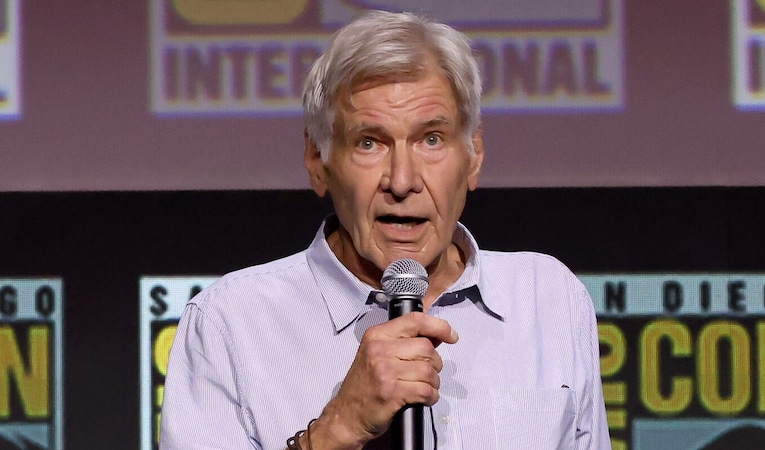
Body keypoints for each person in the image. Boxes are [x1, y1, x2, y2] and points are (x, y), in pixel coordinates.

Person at [160, 9, 611, 450]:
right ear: (318, 161)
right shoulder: (228, 324)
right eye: (369, 142)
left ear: (473, 155)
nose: (402, 180)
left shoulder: (549, 299)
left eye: (431, 139)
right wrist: (335, 431)